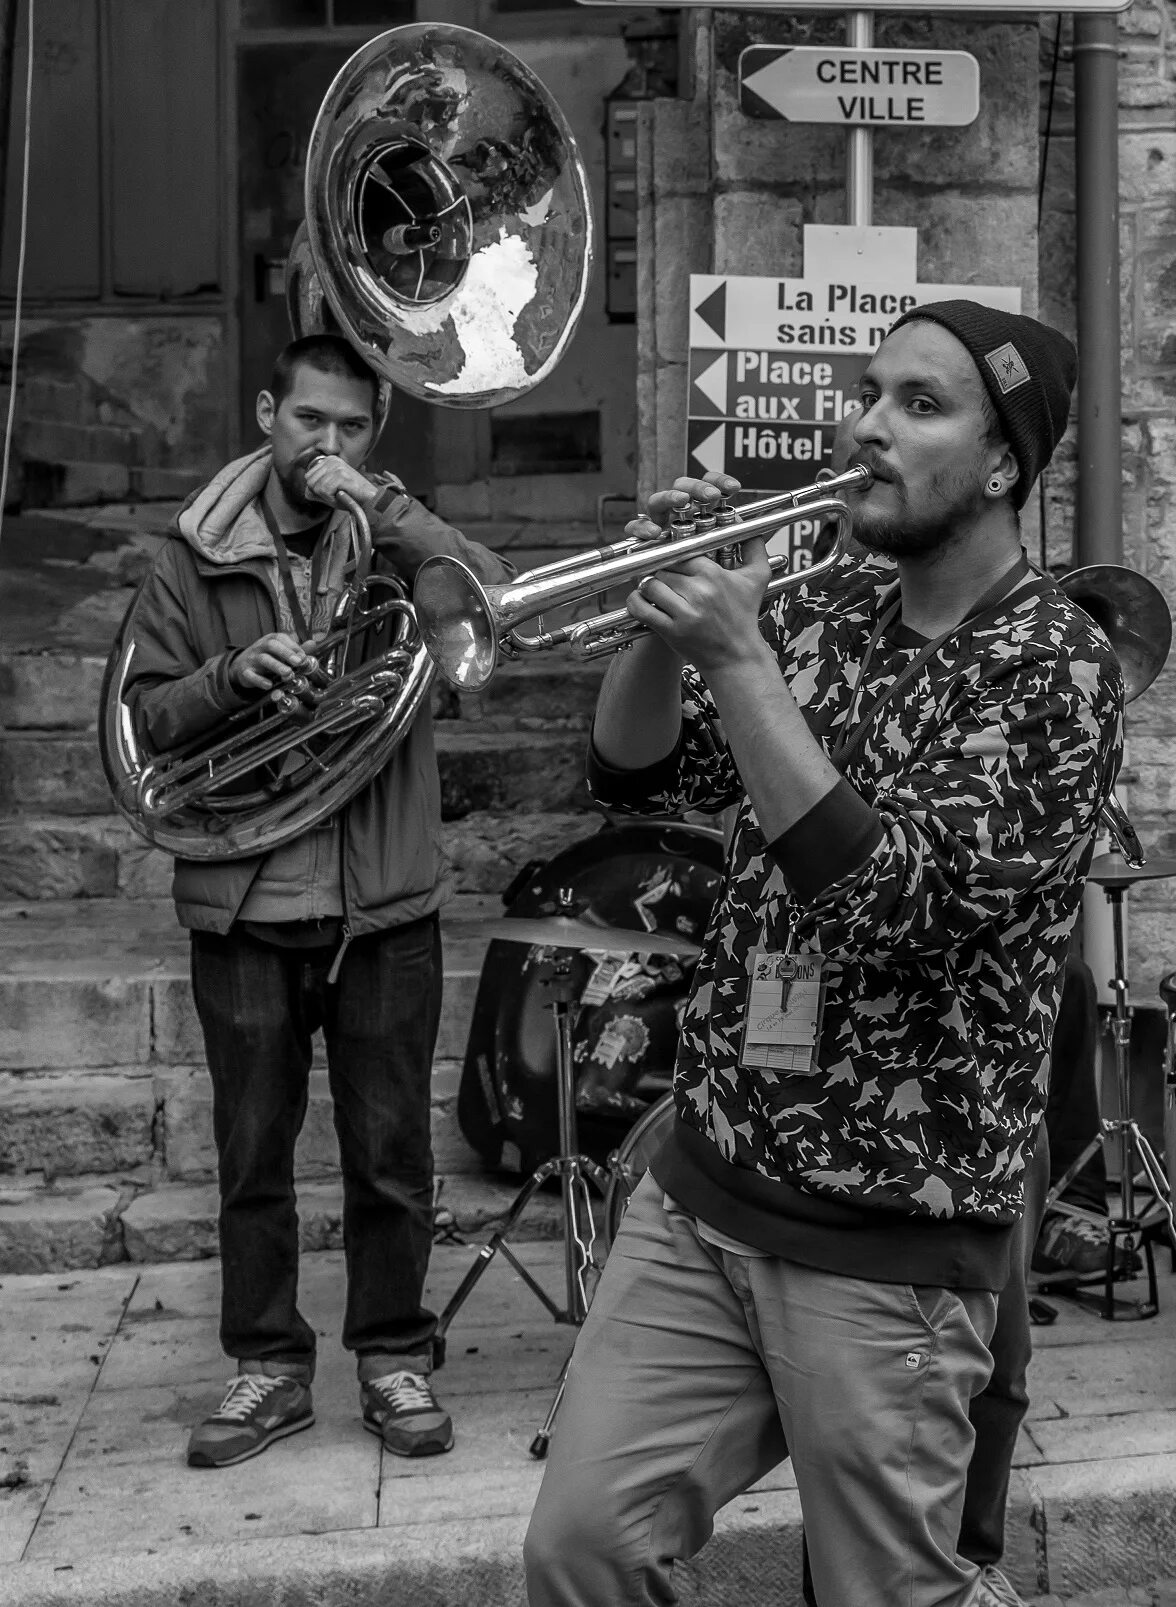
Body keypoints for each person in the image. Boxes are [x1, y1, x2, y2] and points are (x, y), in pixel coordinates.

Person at [523, 301, 1122, 1607]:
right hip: (707, 1187)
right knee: (581, 1546)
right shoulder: (822, 602)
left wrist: (736, 657)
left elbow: (887, 905)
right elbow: (639, 771)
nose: (865, 424)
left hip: (889, 1241)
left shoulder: (1056, 665)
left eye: (919, 404)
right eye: (867, 391)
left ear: (1004, 461)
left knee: (886, 1590)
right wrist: (657, 619)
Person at [112, 333, 510, 1467]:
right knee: (252, 1153)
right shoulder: (192, 561)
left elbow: (490, 607)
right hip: (246, 904)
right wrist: (231, 680)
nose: (325, 445)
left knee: (391, 1154)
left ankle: (391, 1357)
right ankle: (268, 1369)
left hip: (384, 903)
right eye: (308, 422)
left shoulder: (395, 544)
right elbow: (145, 718)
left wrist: (398, 516)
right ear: (265, 413)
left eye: (349, 427)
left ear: (372, 436)